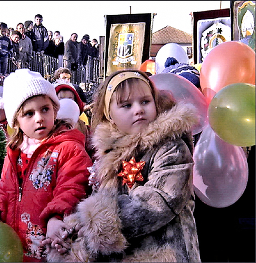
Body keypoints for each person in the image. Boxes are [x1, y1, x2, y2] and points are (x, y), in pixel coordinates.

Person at [46, 69, 201, 262]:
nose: (138, 109)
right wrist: (71, 231)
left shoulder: (171, 147)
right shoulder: (112, 154)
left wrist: (92, 225)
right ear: (109, 115)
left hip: (165, 254)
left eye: (145, 101)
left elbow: (159, 201)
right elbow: (102, 199)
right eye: (126, 105)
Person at [0, 69, 92, 262]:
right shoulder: (15, 151)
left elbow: (72, 187)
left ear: (55, 110)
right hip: (17, 244)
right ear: (16, 122)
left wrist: (56, 218)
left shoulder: (69, 149)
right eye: (29, 113)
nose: (39, 118)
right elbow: (5, 188)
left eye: (45, 109)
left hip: (52, 243)